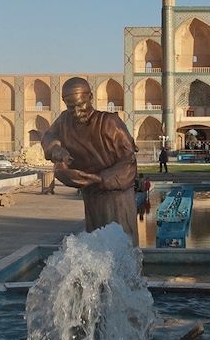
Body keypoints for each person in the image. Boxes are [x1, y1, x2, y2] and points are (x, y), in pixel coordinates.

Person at [42, 77, 139, 245]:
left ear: (90, 97)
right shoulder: (65, 121)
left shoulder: (109, 122)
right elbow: (49, 137)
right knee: (97, 247)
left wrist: (101, 178)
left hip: (117, 197)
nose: (77, 112)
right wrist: (56, 150)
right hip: (92, 197)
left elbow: (129, 160)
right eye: (71, 107)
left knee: (122, 247)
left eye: (81, 105)